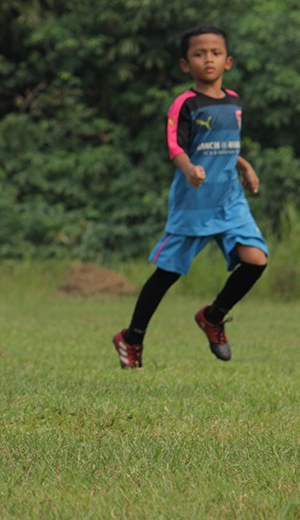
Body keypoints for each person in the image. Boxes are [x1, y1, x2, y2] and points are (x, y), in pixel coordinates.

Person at [113, 26, 268, 368]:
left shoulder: (233, 101)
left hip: (229, 198)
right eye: (199, 54)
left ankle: (213, 317)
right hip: (193, 201)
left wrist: (245, 166)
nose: (207, 58)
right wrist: (189, 168)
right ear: (186, 64)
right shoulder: (186, 103)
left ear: (228, 61)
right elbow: (175, 145)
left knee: (256, 259)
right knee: (168, 273)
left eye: (215, 53)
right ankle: (132, 337)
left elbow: (226, 146)